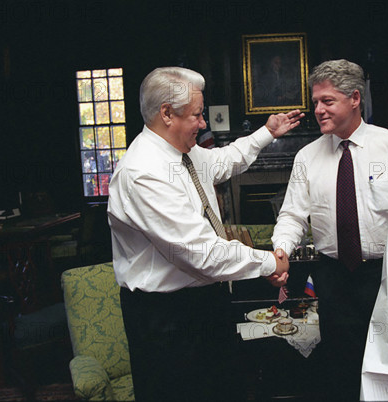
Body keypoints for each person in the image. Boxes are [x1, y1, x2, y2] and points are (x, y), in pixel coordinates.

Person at [107, 66, 304, 401]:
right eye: (197, 115)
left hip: (205, 304)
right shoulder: (143, 173)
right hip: (167, 319)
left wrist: (267, 132)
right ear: (166, 114)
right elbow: (202, 254)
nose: (202, 123)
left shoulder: (183, 153)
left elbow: (222, 161)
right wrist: (270, 262)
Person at [271, 59, 388, 401]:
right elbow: (293, 215)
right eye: (315, 103)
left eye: (327, 101)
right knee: (341, 370)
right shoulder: (306, 158)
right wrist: (281, 249)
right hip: (333, 277)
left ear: (354, 98)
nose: (318, 110)